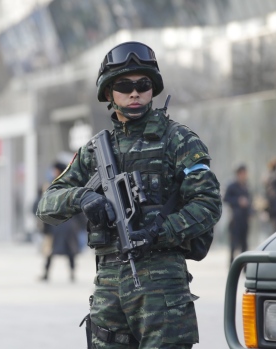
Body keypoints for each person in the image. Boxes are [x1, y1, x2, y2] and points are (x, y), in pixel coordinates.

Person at [36, 41, 222, 348]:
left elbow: (208, 204)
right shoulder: (95, 150)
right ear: (108, 93)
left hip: (162, 280)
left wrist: (159, 232)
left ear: (153, 88)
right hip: (109, 281)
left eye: (143, 84)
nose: (134, 93)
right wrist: (82, 197)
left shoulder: (179, 140)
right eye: (124, 85)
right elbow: (47, 204)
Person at [38, 162, 84, 283]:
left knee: (53, 250)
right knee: (67, 250)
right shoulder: (71, 183)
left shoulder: (54, 185)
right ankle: (70, 273)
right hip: (68, 222)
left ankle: (49, 274)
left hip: (58, 222)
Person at [223, 165, 252, 264]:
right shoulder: (232, 186)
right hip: (235, 218)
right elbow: (226, 199)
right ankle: (232, 264)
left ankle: (244, 265)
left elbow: (249, 201)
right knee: (234, 243)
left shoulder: (246, 186)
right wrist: (238, 201)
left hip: (244, 219)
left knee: (244, 243)